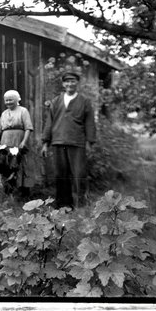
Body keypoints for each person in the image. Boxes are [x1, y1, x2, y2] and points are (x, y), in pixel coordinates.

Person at [41, 64, 97, 209]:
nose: (70, 84)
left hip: (77, 142)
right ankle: (63, 205)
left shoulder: (84, 101)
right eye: (67, 82)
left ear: (77, 83)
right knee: (60, 175)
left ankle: (80, 205)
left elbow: (89, 122)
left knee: (79, 174)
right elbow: (49, 122)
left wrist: (90, 142)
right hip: (58, 142)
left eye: (73, 81)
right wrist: (45, 143)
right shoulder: (56, 101)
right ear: (63, 84)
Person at [0, 90, 43, 196]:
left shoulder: (23, 111)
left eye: (11, 100)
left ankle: (24, 192)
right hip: (6, 142)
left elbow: (28, 128)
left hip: (19, 141)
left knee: (22, 163)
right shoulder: (4, 113)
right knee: (6, 164)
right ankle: (8, 192)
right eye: (6, 100)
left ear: (17, 100)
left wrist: (23, 142)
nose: (8, 102)